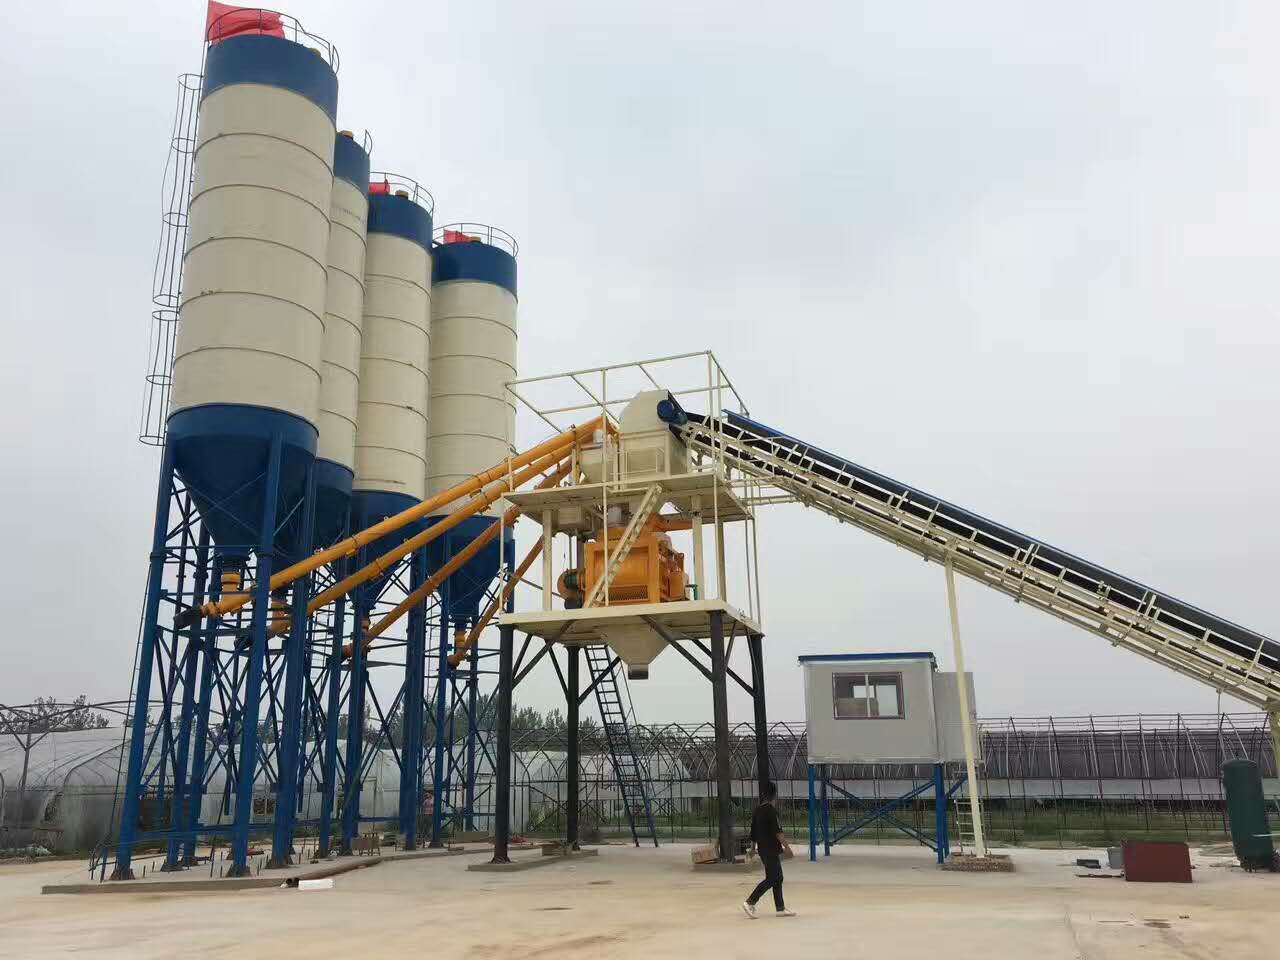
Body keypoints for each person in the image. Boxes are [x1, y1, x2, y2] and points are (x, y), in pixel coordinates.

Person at [742, 780, 796, 918]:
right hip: (771, 849)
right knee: (772, 878)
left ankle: (780, 908)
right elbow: (778, 832)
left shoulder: (757, 810)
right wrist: (787, 848)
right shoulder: (771, 811)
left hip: (763, 849)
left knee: (778, 878)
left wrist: (752, 848)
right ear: (774, 795)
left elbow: (753, 832)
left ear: (763, 794)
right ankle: (750, 902)